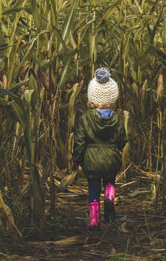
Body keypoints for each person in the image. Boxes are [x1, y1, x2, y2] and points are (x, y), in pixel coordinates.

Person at [72, 68, 128, 231]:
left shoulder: (85, 119)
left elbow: (80, 141)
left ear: (92, 97)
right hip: (111, 159)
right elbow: (123, 140)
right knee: (110, 181)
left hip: (91, 161)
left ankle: (94, 221)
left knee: (93, 191)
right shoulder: (117, 118)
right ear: (112, 97)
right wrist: (114, 149)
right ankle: (110, 198)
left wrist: (77, 158)